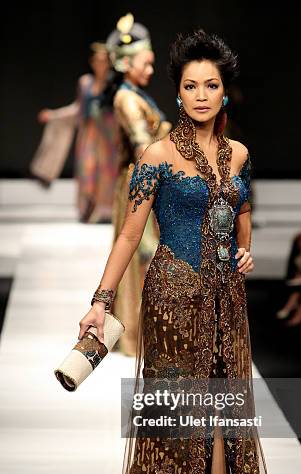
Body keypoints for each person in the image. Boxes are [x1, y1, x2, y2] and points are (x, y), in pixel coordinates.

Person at [78, 29, 298, 474]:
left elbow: (240, 215)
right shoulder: (157, 154)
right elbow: (130, 232)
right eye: (190, 86)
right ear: (178, 94)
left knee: (223, 425)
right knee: (178, 425)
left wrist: (243, 251)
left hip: (226, 299)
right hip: (174, 298)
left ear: (224, 93)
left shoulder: (240, 155)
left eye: (212, 85)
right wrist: (100, 303)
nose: (201, 95)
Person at [106, 14, 171, 355]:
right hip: (141, 181)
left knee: (148, 253)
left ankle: (145, 330)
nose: (150, 69)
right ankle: (146, 332)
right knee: (146, 254)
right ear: (127, 62)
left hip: (140, 177)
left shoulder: (132, 94)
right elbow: (143, 146)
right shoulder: (127, 99)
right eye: (146, 63)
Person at [31, 42, 120, 223]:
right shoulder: (85, 82)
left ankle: (104, 209)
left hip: (108, 135)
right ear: (92, 62)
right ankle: (88, 206)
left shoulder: (113, 84)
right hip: (89, 134)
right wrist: (54, 115)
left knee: (106, 171)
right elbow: (78, 108)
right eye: (97, 60)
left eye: (104, 61)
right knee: (87, 169)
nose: (100, 64)